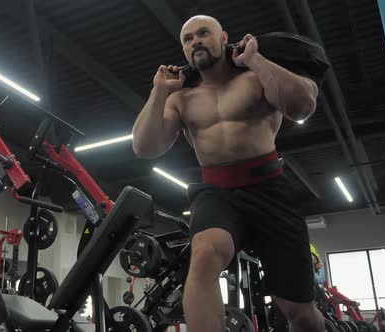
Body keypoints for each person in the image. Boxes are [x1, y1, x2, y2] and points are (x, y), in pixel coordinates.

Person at [132, 15, 324, 332]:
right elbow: (145, 147)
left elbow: (303, 106)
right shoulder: (181, 98)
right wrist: (158, 92)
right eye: (188, 39)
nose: (195, 42)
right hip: (216, 192)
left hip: (270, 189)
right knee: (205, 253)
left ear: (223, 38)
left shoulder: (255, 77)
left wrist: (256, 59)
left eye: (203, 33)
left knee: (300, 312)